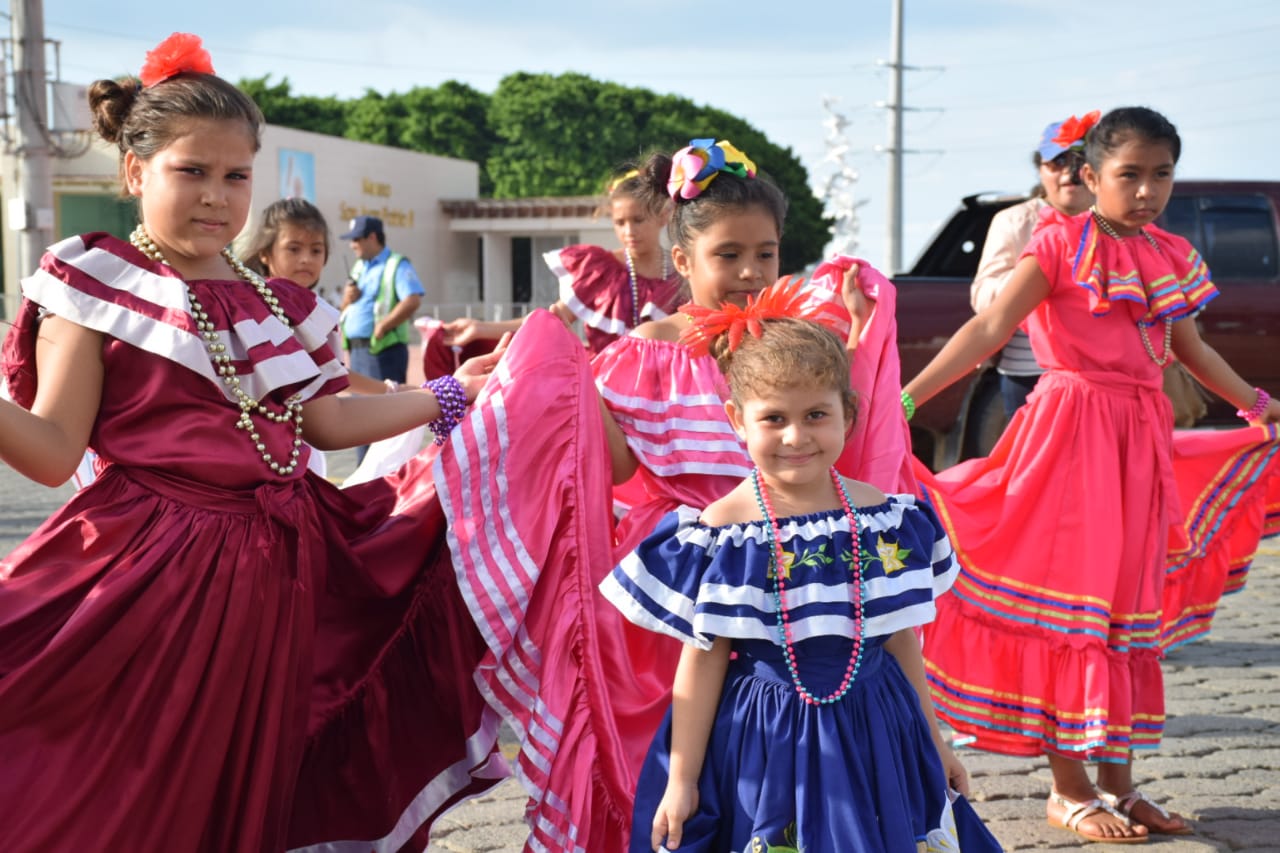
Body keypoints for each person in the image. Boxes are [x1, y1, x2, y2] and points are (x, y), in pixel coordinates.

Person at [0, 34, 509, 851]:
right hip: (149, 575)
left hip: (277, 573)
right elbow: (54, 450)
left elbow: (326, 419)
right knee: (130, 784)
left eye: (236, 176)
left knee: (243, 785)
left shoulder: (273, 301)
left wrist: (451, 395)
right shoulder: (97, 284)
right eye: (190, 171)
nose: (216, 197)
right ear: (136, 173)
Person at [433, 138, 916, 852]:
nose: (751, 272)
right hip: (688, 580)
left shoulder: (800, 344)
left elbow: (852, 429)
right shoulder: (648, 350)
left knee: (778, 743)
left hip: (788, 570)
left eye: (767, 252)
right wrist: (571, 374)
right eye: (729, 255)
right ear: (683, 259)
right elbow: (620, 461)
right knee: (675, 749)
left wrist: (866, 333)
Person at [901, 106, 1280, 844]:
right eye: (1128, 175)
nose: (1146, 190)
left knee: (1123, 607)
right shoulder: (1057, 244)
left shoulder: (1169, 253)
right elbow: (988, 329)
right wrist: (909, 395)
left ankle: (1121, 783)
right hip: (1070, 432)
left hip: (1142, 439)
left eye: (1161, 174)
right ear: (1089, 176)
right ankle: (1066, 788)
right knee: (1072, 604)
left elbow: (1193, 351)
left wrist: (1261, 405)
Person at [601, 305, 1003, 852]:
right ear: (737, 419)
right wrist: (682, 780)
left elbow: (902, 639)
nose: (796, 436)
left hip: (879, 729)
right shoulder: (723, 532)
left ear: (849, 415)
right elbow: (702, 662)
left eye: (817, 415)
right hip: (766, 739)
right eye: (774, 418)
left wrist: (937, 745)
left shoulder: (883, 518)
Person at [443, 165, 682, 354]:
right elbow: (551, 320)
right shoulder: (599, 271)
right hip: (603, 390)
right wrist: (480, 328)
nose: (629, 231)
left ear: (663, 216)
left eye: (638, 220)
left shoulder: (682, 273)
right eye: (620, 222)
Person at [970, 113, 1095, 418]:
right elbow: (983, 298)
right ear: (1040, 170)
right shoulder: (1014, 221)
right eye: (1057, 162)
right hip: (1026, 371)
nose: (1070, 172)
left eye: (1079, 160)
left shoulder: (1116, 222)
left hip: (1097, 372)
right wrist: (1038, 270)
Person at [339, 214, 425, 460]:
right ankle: (364, 477)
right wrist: (347, 299)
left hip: (383, 352)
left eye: (356, 239)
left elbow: (413, 299)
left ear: (372, 237)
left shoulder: (397, 264)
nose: (352, 245)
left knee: (384, 420)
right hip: (358, 352)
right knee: (360, 419)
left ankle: (385, 478)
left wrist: (384, 325)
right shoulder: (359, 266)